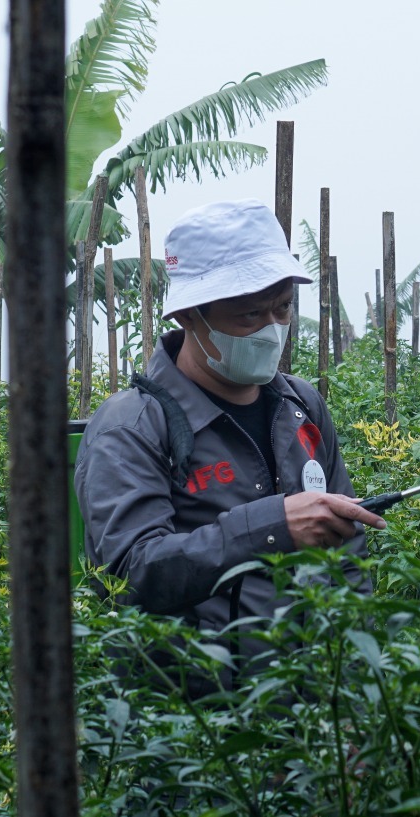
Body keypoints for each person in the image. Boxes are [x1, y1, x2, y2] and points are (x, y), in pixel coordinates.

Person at [75, 198, 385, 693]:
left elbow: (347, 558)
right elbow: (131, 574)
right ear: (188, 316)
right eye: (248, 315)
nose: (271, 329)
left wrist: (351, 695)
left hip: (306, 716)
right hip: (193, 722)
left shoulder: (301, 405)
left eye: (282, 308)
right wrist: (270, 526)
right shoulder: (131, 427)